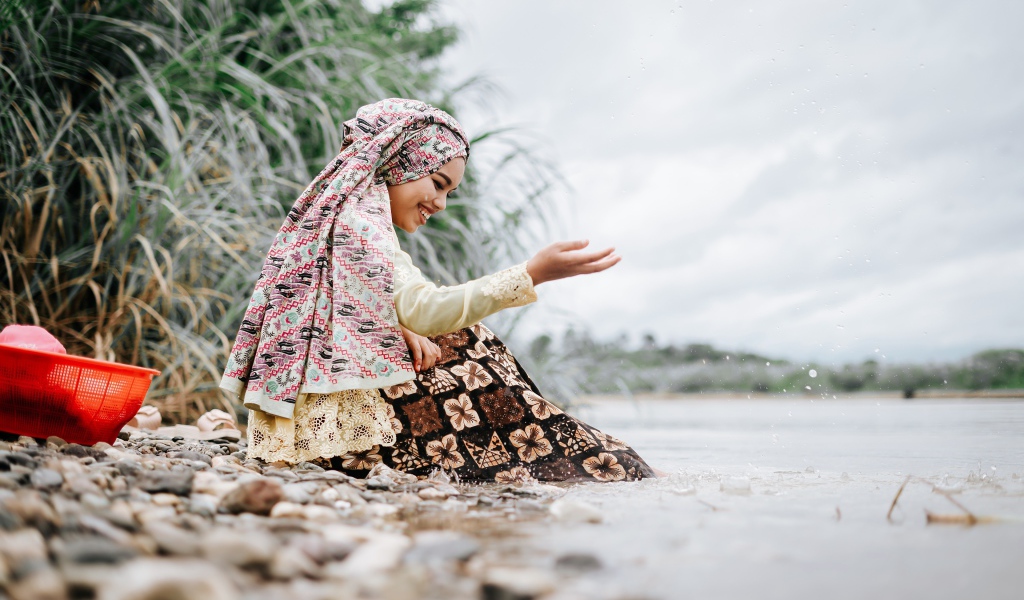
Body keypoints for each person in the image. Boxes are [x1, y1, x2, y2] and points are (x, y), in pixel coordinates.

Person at [221, 98, 656, 482]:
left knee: (445, 339)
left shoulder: (333, 219)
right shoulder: (362, 230)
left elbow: (336, 315)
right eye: (438, 184)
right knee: (468, 341)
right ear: (399, 162)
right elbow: (427, 311)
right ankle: (576, 459)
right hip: (342, 445)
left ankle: (573, 454)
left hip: (304, 434)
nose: (441, 204)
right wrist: (531, 273)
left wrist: (393, 327)